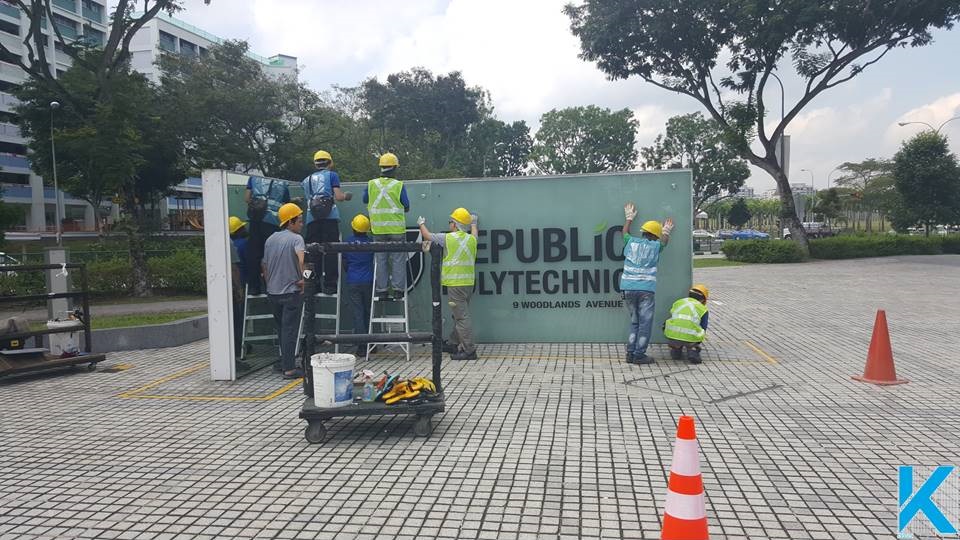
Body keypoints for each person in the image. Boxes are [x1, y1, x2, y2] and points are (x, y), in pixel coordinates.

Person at [417, 207, 479, 361]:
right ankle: (453, 342)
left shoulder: (448, 238)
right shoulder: (471, 239)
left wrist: (421, 224)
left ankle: (469, 350)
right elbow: (475, 233)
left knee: (461, 317)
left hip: (455, 284)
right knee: (459, 314)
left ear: (455, 224)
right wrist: (474, 223)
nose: (449, 224)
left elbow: (426, 235)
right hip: (468, 283)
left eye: (450, 221)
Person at [620, 202, 674, 365]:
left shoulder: (631, 242)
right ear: (655, 235)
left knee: (635, 321)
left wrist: (629, 218)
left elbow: (624, 232)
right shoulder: (656, 246)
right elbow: (665, 242)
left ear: (643, 232)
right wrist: (666, 231)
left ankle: (630, 353)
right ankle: (639, 355)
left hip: (627, 288)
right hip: (645, 291)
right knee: (645, 324)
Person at [262, 203, 306, 379]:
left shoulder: (270, 239)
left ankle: (283, 362)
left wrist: (269, 284)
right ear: (290, 222)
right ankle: (289, 369)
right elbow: (302, 260)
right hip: (291, 292)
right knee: (290, 331)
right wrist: (305, 280)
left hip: (273, 293)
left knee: (281, 330)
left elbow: (264, 265)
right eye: (300, 221)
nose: (302, 224)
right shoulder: (297, 239)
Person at [301, 150, 353, 295]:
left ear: (315, 163)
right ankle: (330, 286)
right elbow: (338, 196)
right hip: (329, 218)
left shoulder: (306, 180)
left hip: (312, 219)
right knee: (330, 250)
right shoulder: (332, 175)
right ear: (329, 162)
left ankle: (314, 285)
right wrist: (346, 196)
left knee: (313, 253)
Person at [364, 153, 411, 299]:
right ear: (395, 168)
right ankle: (398, 290)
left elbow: (365, 199)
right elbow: (407, 206)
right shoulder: (398, 185)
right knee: (397, 260)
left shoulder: (371, 184)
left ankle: (382, 290)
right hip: (396, 230)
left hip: (378, 230)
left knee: (381, 260)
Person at [245, 176, 290, 295]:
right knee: (272, 257)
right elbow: (286, 204)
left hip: (255, 220)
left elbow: (247, 198)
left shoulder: (253, 179)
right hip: (272, 223)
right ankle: (272, 286)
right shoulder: (283, 182)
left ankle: (254, 287)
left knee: (254, 255)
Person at [343, 214, 375, 355]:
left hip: (353, 280)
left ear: (353, 228)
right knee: (369, 311)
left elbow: (345, 263)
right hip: (368, 281)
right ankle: (370, 343)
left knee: (358, 313)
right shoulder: (371, 243)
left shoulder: (347, 243)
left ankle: (362, 346)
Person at [663, 284, 710, 364]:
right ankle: (692, 350)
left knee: (668, 324)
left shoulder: (678, 302)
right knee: (700, 331)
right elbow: (703, 327)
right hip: (691, 337)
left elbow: (673, 317)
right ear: (703, 300)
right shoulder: (703, 309)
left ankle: (676, 348)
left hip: (673, 335)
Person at [229, 216, 249, 356]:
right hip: (241, 283)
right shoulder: (244, 244)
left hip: (230, 286)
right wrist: (239, 290)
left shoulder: (229, 243)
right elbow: (235, 268)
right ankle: (239, 348)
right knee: (239, 319)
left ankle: (237, 348)